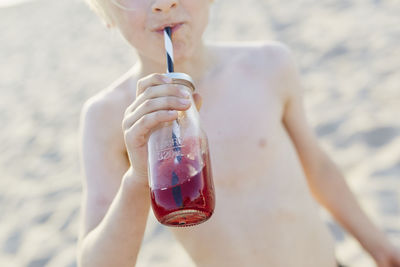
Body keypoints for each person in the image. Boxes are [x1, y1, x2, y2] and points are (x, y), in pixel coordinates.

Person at [76, 0, 400, 266]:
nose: (163, 4)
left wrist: (379, 246)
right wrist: (138, 177)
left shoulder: (267, 65)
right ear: (104, 12)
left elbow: (317, 168)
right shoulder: (107, 118)